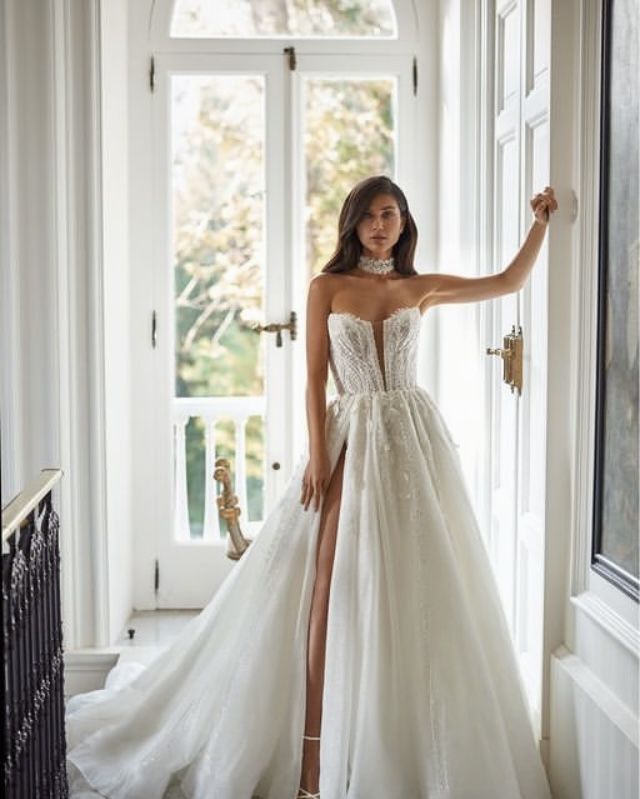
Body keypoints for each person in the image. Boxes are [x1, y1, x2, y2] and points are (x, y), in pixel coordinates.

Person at [65, 175, 558, 799]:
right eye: (368, 216)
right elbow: (313, 382)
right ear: (351, 225)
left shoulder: (418, 286)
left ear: (404, 222)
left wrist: (540, 222)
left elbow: (506, 283)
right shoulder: (327, 287)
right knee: (326, 585)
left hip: (412, 442)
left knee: (416, 581)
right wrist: (320, 455)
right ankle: (311, 764)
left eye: (390, 214)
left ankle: (396, 736)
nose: (380, 225)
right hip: (351, 437)